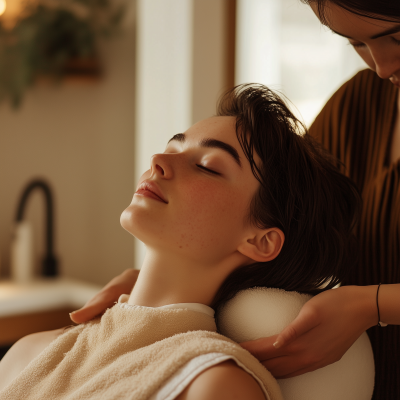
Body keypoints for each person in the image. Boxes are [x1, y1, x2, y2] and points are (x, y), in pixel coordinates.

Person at [70, 1, 400, 399]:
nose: (381, 66)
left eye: (396, 37)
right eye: (356, 45)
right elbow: (293, 209)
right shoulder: (359, 106)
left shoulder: (216, 384)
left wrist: (377, 304)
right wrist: (164, 285)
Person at [0, 85, 361, 400]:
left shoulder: (212, 385)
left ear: (260, 240)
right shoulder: (28, 354)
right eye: (172, 148)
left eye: (207, 165)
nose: (158, 161)